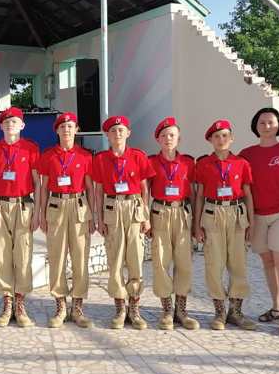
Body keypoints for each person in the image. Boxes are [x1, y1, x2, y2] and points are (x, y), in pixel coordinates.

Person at [240, 108, 279, 337]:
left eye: (271, 122)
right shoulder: (246, 154)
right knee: (267, 261)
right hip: (257, 216)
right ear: (256, 126)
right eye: (262, 122)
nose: (266, 126)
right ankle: (276, 307)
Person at [92, 115, 154, 330]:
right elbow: (98, 191)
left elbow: (145, 189)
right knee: (115, 259)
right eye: (113, 131)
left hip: (135, 208)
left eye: (121, 130)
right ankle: (120, 308)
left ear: (128, 133)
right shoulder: (100, 159)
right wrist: (99, 218)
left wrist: (146, 216)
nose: (117, 134)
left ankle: (134, 308)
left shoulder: (138, 156)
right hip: (112, 208)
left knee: (136, 258)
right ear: (107, 135)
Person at [193, 120, 256, 331]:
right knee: (214, 264)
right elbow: (199, 196)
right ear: (211, 140)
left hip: (237, 214)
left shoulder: (242, 163)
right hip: (213, 213)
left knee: (238, 263)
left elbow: (247, 194)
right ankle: (219, 311)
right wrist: (197, 225)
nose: (221, 140)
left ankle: (236, 311)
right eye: (217, 136)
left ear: (232, 138)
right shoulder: (203, 164)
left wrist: (252, 223)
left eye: (225, 135)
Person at [0, 107, 40, 328]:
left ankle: (20, 304)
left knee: (23, 254)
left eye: (14, 122)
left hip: (24, 206)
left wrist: (39, 212)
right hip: (0, 206)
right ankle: (7, 303)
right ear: (1, 126)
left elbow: (38, 184)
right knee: (2, 255)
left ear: (22, 125)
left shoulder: (31, 149)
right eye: (6, 122)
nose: (10, 125)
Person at [37, 112, 95, 328]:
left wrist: (93, 215)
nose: (67, 130)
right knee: (57, 258)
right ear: (57, 131)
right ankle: (60, 306)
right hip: (55, 207)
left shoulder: (86, 156)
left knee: (80, 258)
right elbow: (42, 188)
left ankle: (77, 307)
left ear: (76, 129)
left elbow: (90, 188)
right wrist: (41, 214)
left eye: (70, 126)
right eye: (63, 127)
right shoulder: (48, 155)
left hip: (79, 207)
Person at [146, 117, 199, 330]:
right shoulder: (151, 162)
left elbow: (194, 193)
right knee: (161, 261)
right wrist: (146, 219)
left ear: (178, 138)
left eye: (172, 135)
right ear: (158, 139)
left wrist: (196, 222)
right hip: (160, 211)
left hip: (183, 212)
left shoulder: (188, 162)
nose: (168, 139)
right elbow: (144, 192)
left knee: (184, 262)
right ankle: (166, 309)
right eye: (164, 135)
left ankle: (182, 309)